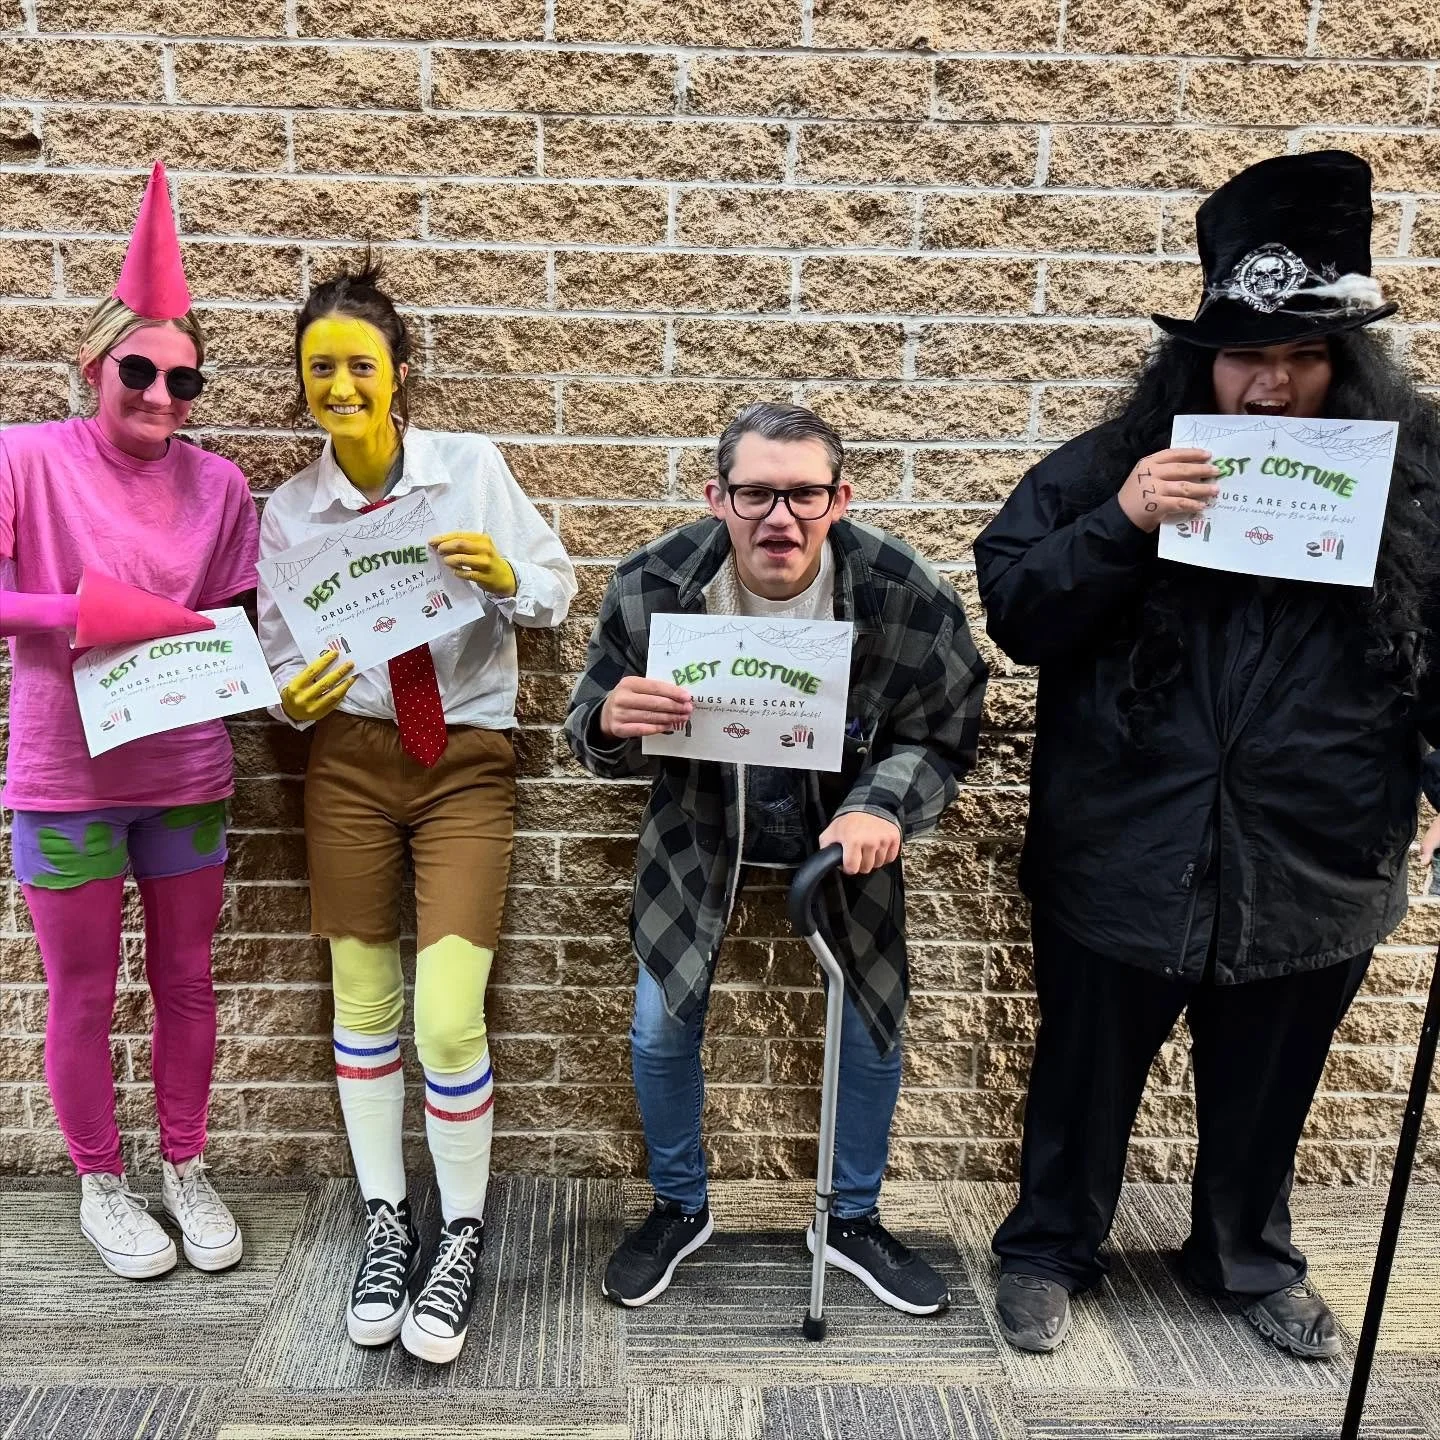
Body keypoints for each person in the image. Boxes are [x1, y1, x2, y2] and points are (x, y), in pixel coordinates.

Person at [973, 151, 1440, 1360]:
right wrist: (1122, 523)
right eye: (1246, 357)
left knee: (1271, 1083)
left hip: (1316, 856)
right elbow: (1017, 606)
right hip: (1125, 846)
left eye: (1299, 359)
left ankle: (1243, 1254)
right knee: (1081, 1078)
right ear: (1201, 361)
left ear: (1344, 368)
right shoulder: (1116, 462)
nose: (1271, 386)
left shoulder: (1421, 483)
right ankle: (1048, 1248)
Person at [565, 401, 988, 1314]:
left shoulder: (901, 589)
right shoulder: (653, 582)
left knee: (871, 1023)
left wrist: (886, 804)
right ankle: (680, 1207)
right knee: (658, 1025)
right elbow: (588, 719)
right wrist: (610, 723)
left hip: (843, 840)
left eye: (803, 495)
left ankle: (852, 1217)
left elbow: (947, 731)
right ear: (717, 496)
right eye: (756, 494)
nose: (779, 519)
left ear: (841, 499)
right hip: (702, 835)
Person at [256, 258, 576, 1365]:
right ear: (303, 383)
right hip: (345, 760)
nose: (340, 384)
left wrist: (502, 574)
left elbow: (556, 588)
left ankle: (463, 1231)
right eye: (321, 369)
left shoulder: (470, 470)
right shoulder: (291, 510)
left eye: (360, 365)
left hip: (464, 760)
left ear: (398, 377)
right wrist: (287, 700)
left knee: (445, 1015)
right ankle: (388, 1224)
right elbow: (281, 661)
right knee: (360, 997)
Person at [0, 163, 258, 1280]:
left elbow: (236, 616)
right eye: (139, 372)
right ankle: (103, 1182)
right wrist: (87, 612)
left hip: (187, 769)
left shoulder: (224, 487)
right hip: (65, 776)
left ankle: (185, 1166)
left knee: (188, 981)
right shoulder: (23, 457)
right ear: (93, 366)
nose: (160, 396)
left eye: (183, 379)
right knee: (84, 991)